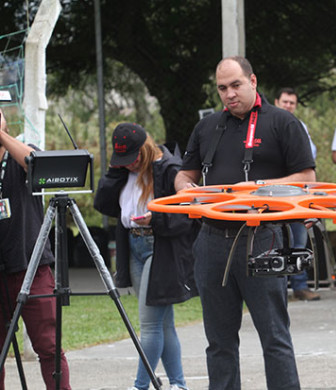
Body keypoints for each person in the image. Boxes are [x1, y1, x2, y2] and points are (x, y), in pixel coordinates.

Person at [174, 56, 315, 390]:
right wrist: (184, 188)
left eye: (235, 85)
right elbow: (184, 174)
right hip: (212, 237)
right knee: (219, 342)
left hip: (262, 236)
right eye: (222, 88)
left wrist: (255, 189)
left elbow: (307, 178)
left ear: (253, 81)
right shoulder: (207, 127)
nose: (229, 94)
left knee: (275, 337)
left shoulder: (282, 122)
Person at [94, 123, 197, 390]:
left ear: (145, 148)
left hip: (159, 246)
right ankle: (179, 383)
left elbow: (187, 213)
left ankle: (141, 385)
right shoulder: (124, 172)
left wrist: (157, 218)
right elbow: (103, 204)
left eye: (133, 159)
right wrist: (115, 171)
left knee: (149, 324)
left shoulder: (168, 169)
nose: (129, 165)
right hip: (133, 244)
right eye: (123, 160)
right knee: (163, 323)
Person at [0, 109, 71, 389]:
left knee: (49, 346)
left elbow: (37, 166)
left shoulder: (21, 154)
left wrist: (2, 138)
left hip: (32, 265)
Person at [274, 87, 321, 302]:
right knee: (274, 243)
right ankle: (278, 289)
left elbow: (310, 155)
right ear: (276, 102)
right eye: (285, 102)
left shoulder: (300, 127)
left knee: (299, 241)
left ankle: (300, 287)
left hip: (297, 195)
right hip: (272, 195)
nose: (288, 106)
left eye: (292, 103)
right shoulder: (268, 125)